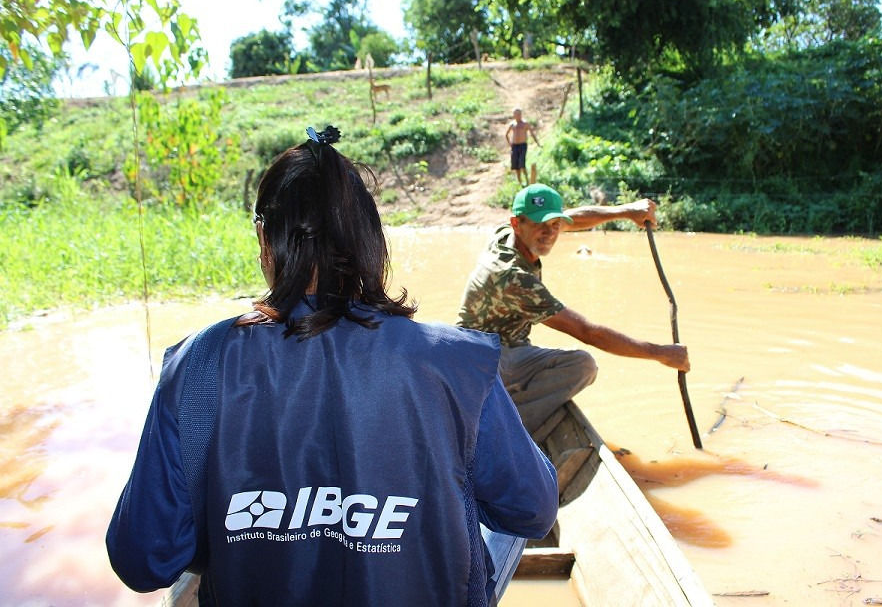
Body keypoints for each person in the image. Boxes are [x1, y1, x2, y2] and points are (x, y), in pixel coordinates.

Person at [106, 127, 558, 606]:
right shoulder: (457, 362)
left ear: (265, 235)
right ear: (371, 239)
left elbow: (142, 561)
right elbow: (532, 513)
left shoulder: (196, 364)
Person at [457, 183, 691, 434]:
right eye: (539, 226)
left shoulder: (506, 234)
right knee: (583, 366)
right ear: (517, 223)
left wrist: (626, 211)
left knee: (573, 364)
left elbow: (574, 219)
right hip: (481, 361)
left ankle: (504, 412)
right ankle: (498, 432)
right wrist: (661, 353)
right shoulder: (511, 276)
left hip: (497, 349)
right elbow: (587, 332)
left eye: (554, 225)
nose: (548, 233)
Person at [505, 108, 541, 186]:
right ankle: (520, 182)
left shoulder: (525, 124)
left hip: (522, 145)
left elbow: (532, 133)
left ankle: (527, 179)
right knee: (515, 165)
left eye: (519, 114)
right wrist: (510, 144)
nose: (517, 116)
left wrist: (538, 143)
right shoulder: (512, 124)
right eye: (516, 114)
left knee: (522, 163)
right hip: (514, 146)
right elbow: (506, 134)